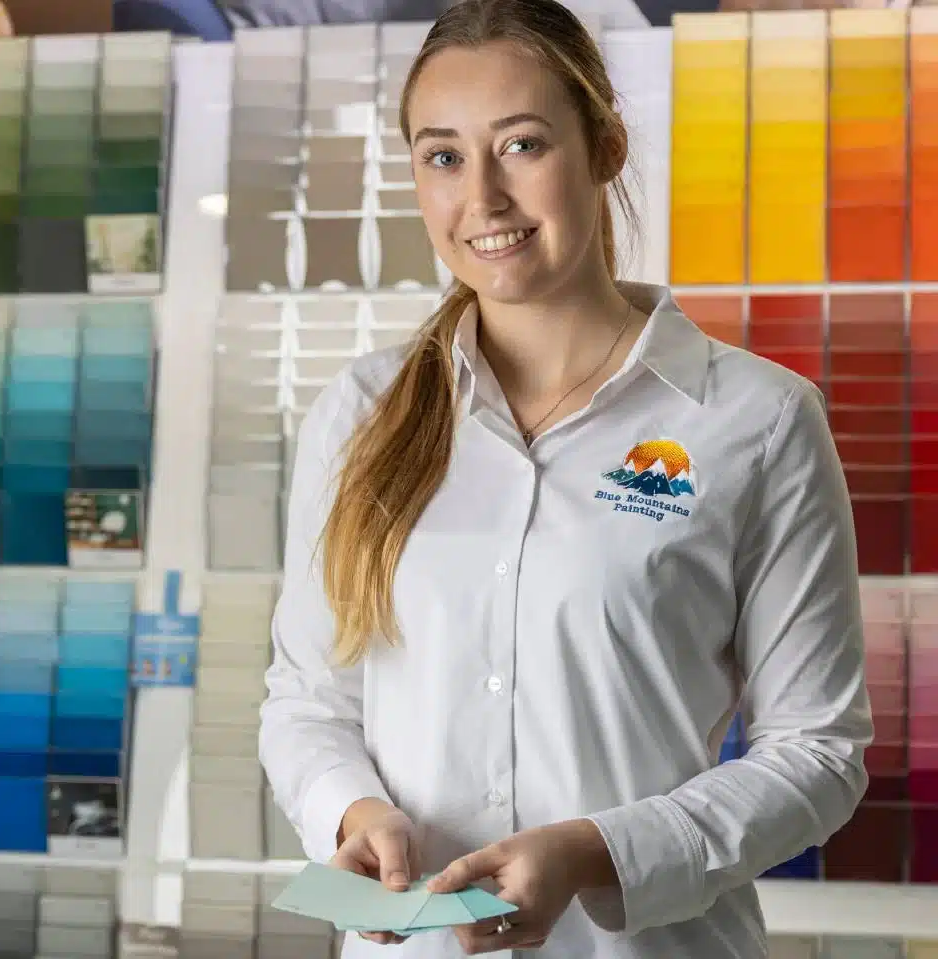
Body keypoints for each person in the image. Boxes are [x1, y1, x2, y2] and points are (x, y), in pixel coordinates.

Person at [259, 1, 873, 956]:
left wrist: (599, 851)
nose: (483, 200)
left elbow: (818, 753)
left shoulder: (757, 419)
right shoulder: (362, 409)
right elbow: (307, 697)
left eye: (522, 144)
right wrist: (351, 808)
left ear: (606, 147)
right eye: (443, 156)